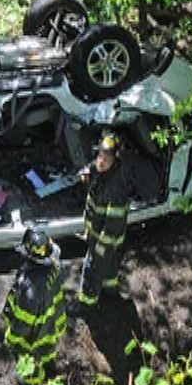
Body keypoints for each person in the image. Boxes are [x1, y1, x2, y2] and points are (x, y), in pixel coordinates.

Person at [3, 229, 66, 385]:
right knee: (47, 354)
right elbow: (57, 302)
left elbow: (24, 322)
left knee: (31, 368)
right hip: (50, 330)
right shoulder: (54, 271)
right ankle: (49, 376)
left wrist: (12, 337)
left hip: (31, 341)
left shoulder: (30, 290)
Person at [75, 132, 130, 310]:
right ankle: (110, 290)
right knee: (110, 265)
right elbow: (95, 166)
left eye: (106, 159)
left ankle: (86, 304)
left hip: (104, 239)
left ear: (115, 160)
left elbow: (113, 223)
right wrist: (87, 171)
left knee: (92, 270)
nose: (101, 161)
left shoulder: (117, 187)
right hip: (101, 235)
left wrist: (100, 246)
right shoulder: (103, 170)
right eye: (99, 156)